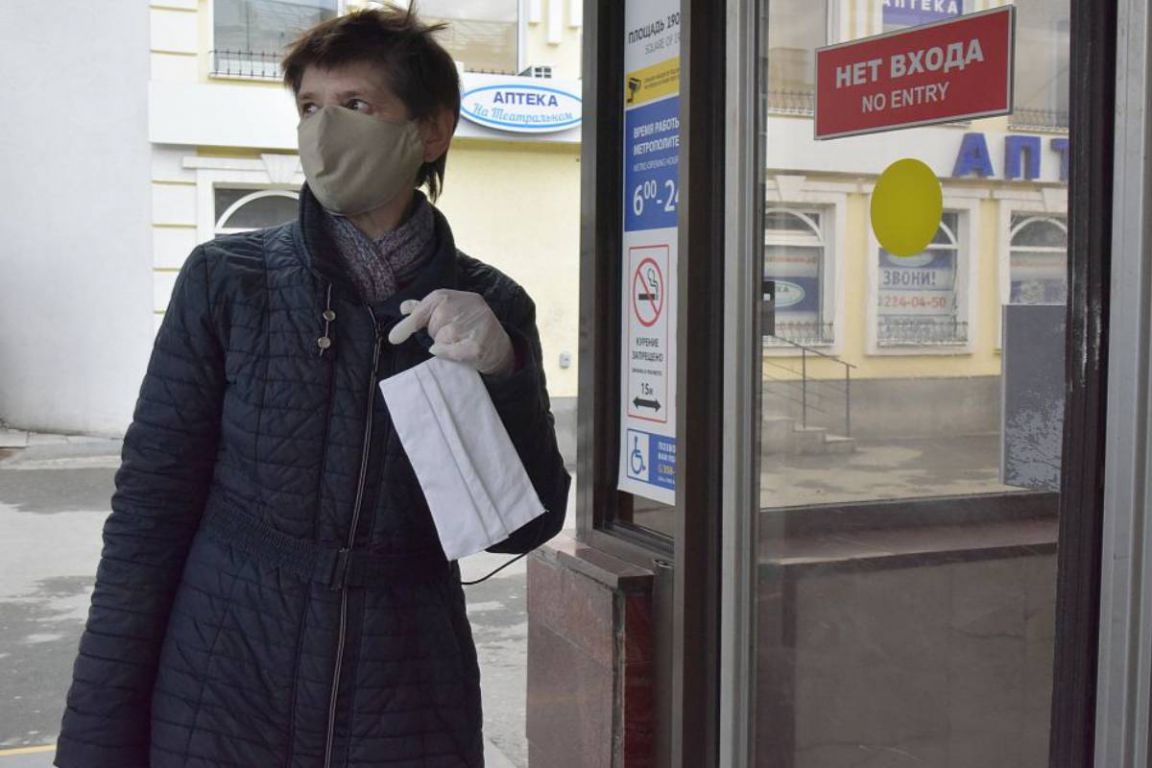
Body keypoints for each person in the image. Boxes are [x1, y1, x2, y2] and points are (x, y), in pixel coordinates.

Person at [55, 7, 570, 767]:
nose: (324, 131)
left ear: (431, 131)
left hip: (406, 696)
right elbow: (148, 516)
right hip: (223, 682)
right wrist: (97, 739)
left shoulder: (489, 305)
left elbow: (522, 529)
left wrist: (505, 373)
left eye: (356, 104)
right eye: (308, 107)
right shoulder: (228, 280)